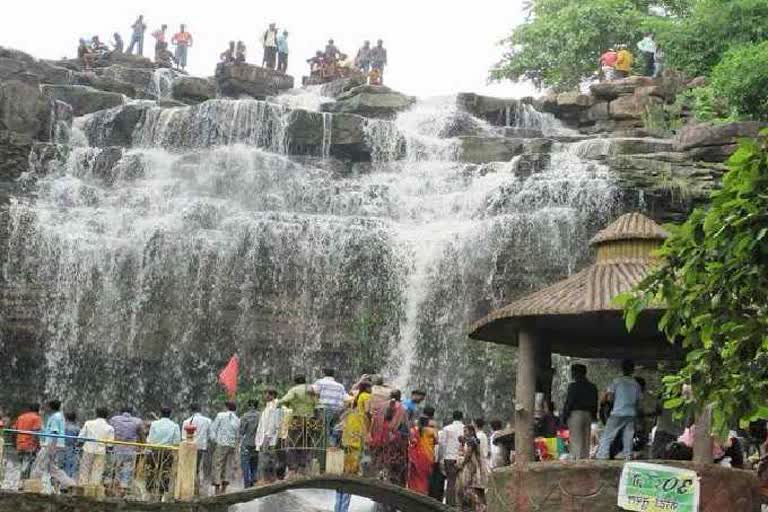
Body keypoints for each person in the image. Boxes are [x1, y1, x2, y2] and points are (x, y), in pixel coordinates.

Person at [334, 381, 372, 512]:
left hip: (347, 437)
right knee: (351, 476)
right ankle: (343, 509)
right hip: (357, 439)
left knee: (343, 473)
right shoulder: (366, 397)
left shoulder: (353, 399)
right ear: (367, 388)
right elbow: (368, 411)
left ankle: (337, 508)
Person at [596, 360, 642, 460]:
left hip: (618, 411)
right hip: (630, 413)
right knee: (628, 435)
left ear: (622, 369)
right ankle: (627, 455)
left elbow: (610, 398)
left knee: (608, 434)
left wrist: (612, 404)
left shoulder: (617, 381)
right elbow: (638, 402)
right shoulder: (636, 384)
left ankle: (602, 455)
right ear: (632, 370)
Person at [278, 375, 318, 478]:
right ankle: (303, 468)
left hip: (297, 420)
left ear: (295, 382)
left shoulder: (294, 390)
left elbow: (283, 400)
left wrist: (284, 405)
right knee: (306, 443)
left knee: (292, 443)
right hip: (310, 421)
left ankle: (292, 469)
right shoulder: (311, 389)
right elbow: (317, 403)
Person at [32, 399, 76, 490]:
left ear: (50, 407)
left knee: (39, 464)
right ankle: (70, 483)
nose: (45, 408)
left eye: (47, 406)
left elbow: (54, 433)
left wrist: (51, 448)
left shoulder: (55, 417)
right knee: (53, 469)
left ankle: (33, 484)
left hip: (51, 445)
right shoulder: (60, 416)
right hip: (56, 445)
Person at [369, 390, 409, 488]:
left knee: (380, 468)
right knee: (393, 471)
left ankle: (378, 493)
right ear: (400, 397)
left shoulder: (381, 407)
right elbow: (405, 427)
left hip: (379, 443)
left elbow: (374, 424)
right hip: (394, 445)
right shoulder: (402, 409)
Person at [562, 364, 598, 460]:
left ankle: (577, 462)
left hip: (576, 414)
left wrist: (564, 416)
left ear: (575, 373)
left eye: (573, 372)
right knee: (586, 440)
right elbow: (595, 402)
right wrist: (594, 416)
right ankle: (585, 460)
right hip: (588, 415)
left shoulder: (573, 386)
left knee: (576, 440)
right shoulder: (592, 387)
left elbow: (569, 402)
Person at [146, 407, 181, 496]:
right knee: (165, 471)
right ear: (170, 415)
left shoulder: (154, 424)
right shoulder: (175, 425)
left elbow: (150, 439)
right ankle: (162, 493)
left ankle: (149, 491)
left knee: (152, 470)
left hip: (154, 451)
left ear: (160, 414)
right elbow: (176, 442)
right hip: (167, 452)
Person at [110, 406, 144, 492]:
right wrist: (143, 445)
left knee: (116, 467)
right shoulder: (137, 421)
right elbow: (141, 435)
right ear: (131, 412)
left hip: (117, 447)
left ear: (121, 411)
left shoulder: (114, 420)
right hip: (130, 448)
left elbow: (110, 431)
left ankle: (115, 487)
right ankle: (124, 487)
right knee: (128, 467)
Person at [78, 407, 115, 486]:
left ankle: (82, 487)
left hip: (88, 449)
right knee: (97, 471)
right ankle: (93, 489)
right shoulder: (110, 428)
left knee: (84, 470)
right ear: (107, 415)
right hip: (100, 452)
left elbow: (80, 438)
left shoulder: (88, 423)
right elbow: (110, 445)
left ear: (96, 414)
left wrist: (77, 448)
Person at [210, 401, 241, 495]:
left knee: (218, 464)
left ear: (226, 407)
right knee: (228, 465)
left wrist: (214, 440)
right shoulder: (237, 419)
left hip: (221, 443)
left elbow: (213, 428)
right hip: (231, 444)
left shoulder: (220, 415)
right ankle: (224, 488)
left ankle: (217, 487)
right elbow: (237, 434)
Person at [456, 424, 488, 512]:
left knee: (470, 489)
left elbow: (468, 455)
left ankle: (479, 507)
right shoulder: (474, 440)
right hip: (478, 467)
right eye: (464, 431)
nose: (464, 433)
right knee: (479, 490)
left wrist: (461, 465)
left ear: (471, 431)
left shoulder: (471, 441)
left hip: (473, 468)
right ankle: (481, 507)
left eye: (465, 431)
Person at [314, 368, 348, 448]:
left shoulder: (319, 382)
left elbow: (312, 391)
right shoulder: (340, 386)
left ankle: (324, 450)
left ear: (323, 373)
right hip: (337, 411)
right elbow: (345, 398)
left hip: (323, 410)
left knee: (324, 430)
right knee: (334, 428)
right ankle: (333, 448)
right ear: (333, 375)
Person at [255, 389, 283, 483]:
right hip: (265, 437)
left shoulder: (275, 406)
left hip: (269, 438)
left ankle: (269, 479)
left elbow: (274, 423)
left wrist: (268, 436)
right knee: (267, 459)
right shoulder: (268, 406)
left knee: (268, 460)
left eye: (266, 394)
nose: (264, 396)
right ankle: (267, 479)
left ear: (272, 395)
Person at [181, 404, 212, 488]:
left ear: (191, 410)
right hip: (202, 447)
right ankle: (199, 484)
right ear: (200, 410)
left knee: (191, 466)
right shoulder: (207, 421)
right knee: (199, 466)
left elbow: (183, 437)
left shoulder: (186, 421)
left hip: (189, 447)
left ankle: (192, 485)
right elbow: (210, 435)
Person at [439, 410, 465, 506]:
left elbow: (442, 444)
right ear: (462, 417)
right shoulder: (465, 428)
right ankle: (460, 503)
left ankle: (450, 504)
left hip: (449, 457)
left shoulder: (447, 429)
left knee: (451, 481)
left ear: (452, 417)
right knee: (462, 481)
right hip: (462, 458)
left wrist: (441, 459)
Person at [12, 403, 42, 480]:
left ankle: (21, 483)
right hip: (30, 446)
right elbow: (35, 433)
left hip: (20, 445)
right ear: (38, 409)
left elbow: (14, 431)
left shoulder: (21, 417)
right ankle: (23, 485)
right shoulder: (36, 418)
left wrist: (14, 444)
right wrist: (38, 445)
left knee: (23, 465)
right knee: (28, 466)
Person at [408, 416, 437, 495]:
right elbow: (437, 441)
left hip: (416, 457)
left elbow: (411, 441)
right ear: (427, 423)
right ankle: (423, 493)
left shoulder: (413, 430)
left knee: (415, 476)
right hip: (427, 456)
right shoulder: (431, 431)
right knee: (424, 477)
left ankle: (412, 492)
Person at [239, 399, 260, 488]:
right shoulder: (261, 415)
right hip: (257, 443)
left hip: (247, 443)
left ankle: (247, 484)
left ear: (250, 405)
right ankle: (254, 480)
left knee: (245, 464)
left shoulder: (245, 416)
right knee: (254, 463)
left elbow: (242, 431)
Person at [63, 411, 80, 479]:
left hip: (62, 447)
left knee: (61, 464)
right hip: (72, 448)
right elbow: (79, 439)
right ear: (75, 418)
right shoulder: (77, 428)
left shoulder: (63, 427)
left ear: (66, 418)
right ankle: (69, 480)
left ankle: (60, 482)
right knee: (71, 465)